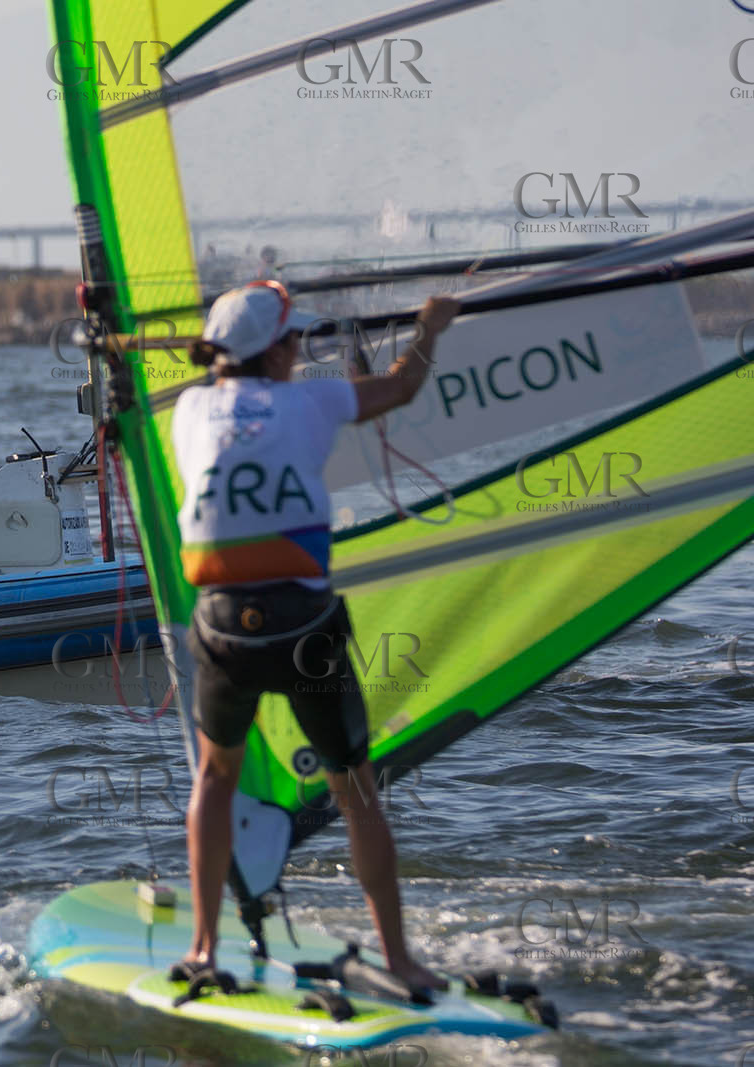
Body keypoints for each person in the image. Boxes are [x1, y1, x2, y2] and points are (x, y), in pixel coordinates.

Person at [170, 279, 460, 993]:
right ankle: (399, 959)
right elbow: (403, 387)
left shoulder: (187, 407)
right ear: (274, 353)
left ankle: (205, 947)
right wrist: (430, 323)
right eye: (294, 341)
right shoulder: (311, 401)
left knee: (213, 778)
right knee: (358, 792)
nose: (300, 352)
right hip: (304, 630)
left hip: (222, 629)